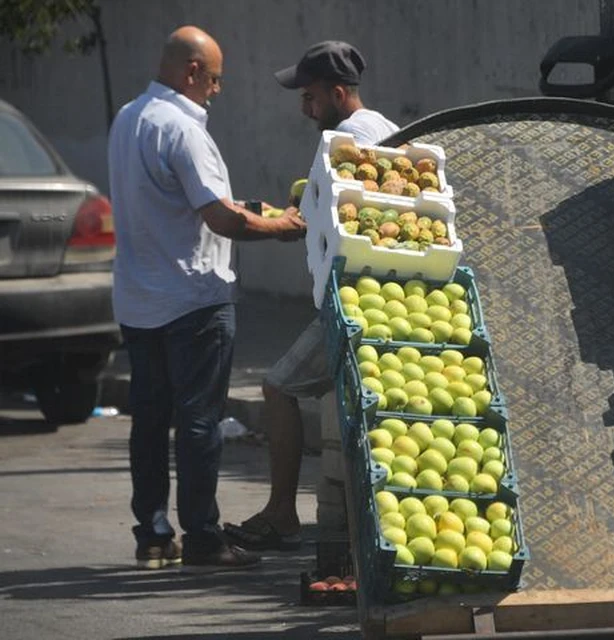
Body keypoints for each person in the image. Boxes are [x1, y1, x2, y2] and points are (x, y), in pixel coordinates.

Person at [108, 25, 307, 572]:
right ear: (193, 71)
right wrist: (280, 229)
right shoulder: (183, 128)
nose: (218, 90)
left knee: (149, 422)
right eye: (215, 79)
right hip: (193, 300)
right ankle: (201, 537)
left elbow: (184, 202)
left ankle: (152, 533)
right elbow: (220, 218)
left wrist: (258, 209)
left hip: (139, 300)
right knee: (198, 421)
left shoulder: (129, 118)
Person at [223, 41, 398, 550]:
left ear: (338, 93)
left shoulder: (344, 141)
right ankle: (344, 528)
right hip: (384, 294)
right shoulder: (383, 128)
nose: (304, 108)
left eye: (311, 97)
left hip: (355, 300)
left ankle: (281, 513)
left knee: (279, 386)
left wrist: (285, 223)